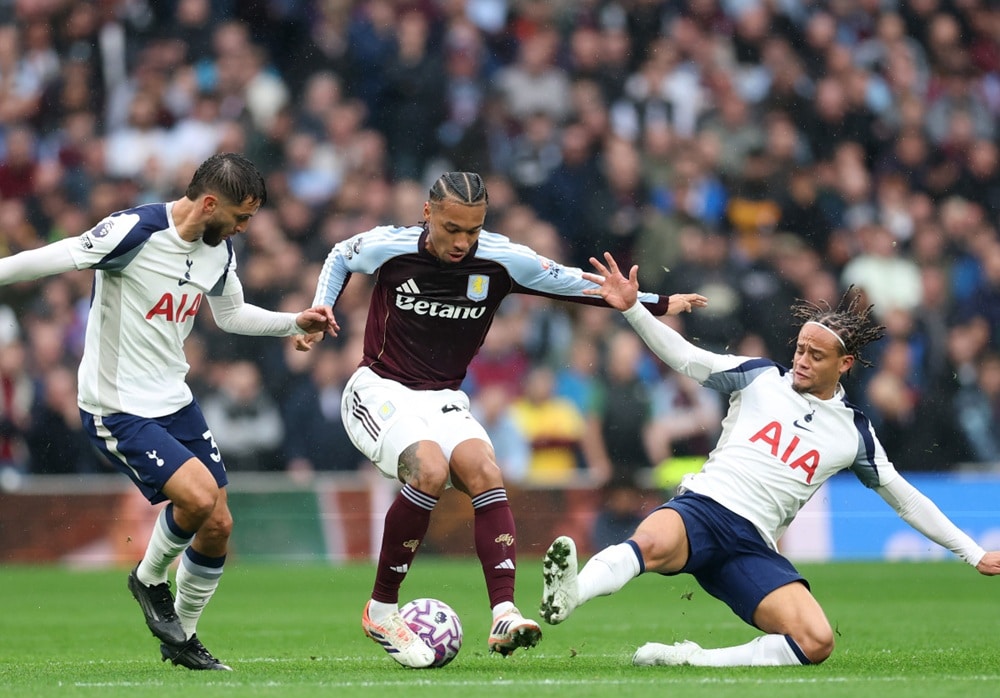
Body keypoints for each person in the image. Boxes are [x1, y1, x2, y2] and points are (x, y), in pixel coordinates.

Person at [296, 172, 706, 668]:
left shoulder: (502, 258)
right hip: (379, 389)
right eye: (452, 228)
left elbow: (573, 282)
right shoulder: (391, 246)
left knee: (486, 470)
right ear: (428, 214)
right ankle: (382, 609)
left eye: (473, 229)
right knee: (429, 469)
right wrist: (321, 307)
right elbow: (341, 253)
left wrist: (655, 302)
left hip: (444, 397)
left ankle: (504, 613)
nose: (462, 242)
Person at [539, 252, 1000, 668]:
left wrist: (973, 552)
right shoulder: (760, 377)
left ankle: (691, 660)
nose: (800, 361)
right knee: (651, 542)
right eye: (799, 348)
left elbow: (905, 499)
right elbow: (685, 357)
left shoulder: (853, 431)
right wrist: (633, 309)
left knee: (816, 641)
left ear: (845, 364)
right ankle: (570, 593)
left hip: (753, 544)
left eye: (815, 356)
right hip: (705, 508)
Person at [0, 152, 336, 670]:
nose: (246, 228)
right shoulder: (133, 231)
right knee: (198, 497)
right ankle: (149, 577)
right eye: (241, 217)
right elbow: (55, 257)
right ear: (208, 204)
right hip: (117, 405)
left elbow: (231, 315)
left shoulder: (217, 253)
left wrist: (294, 322)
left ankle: (182, 640)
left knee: (219, 523)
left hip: (174, 400)